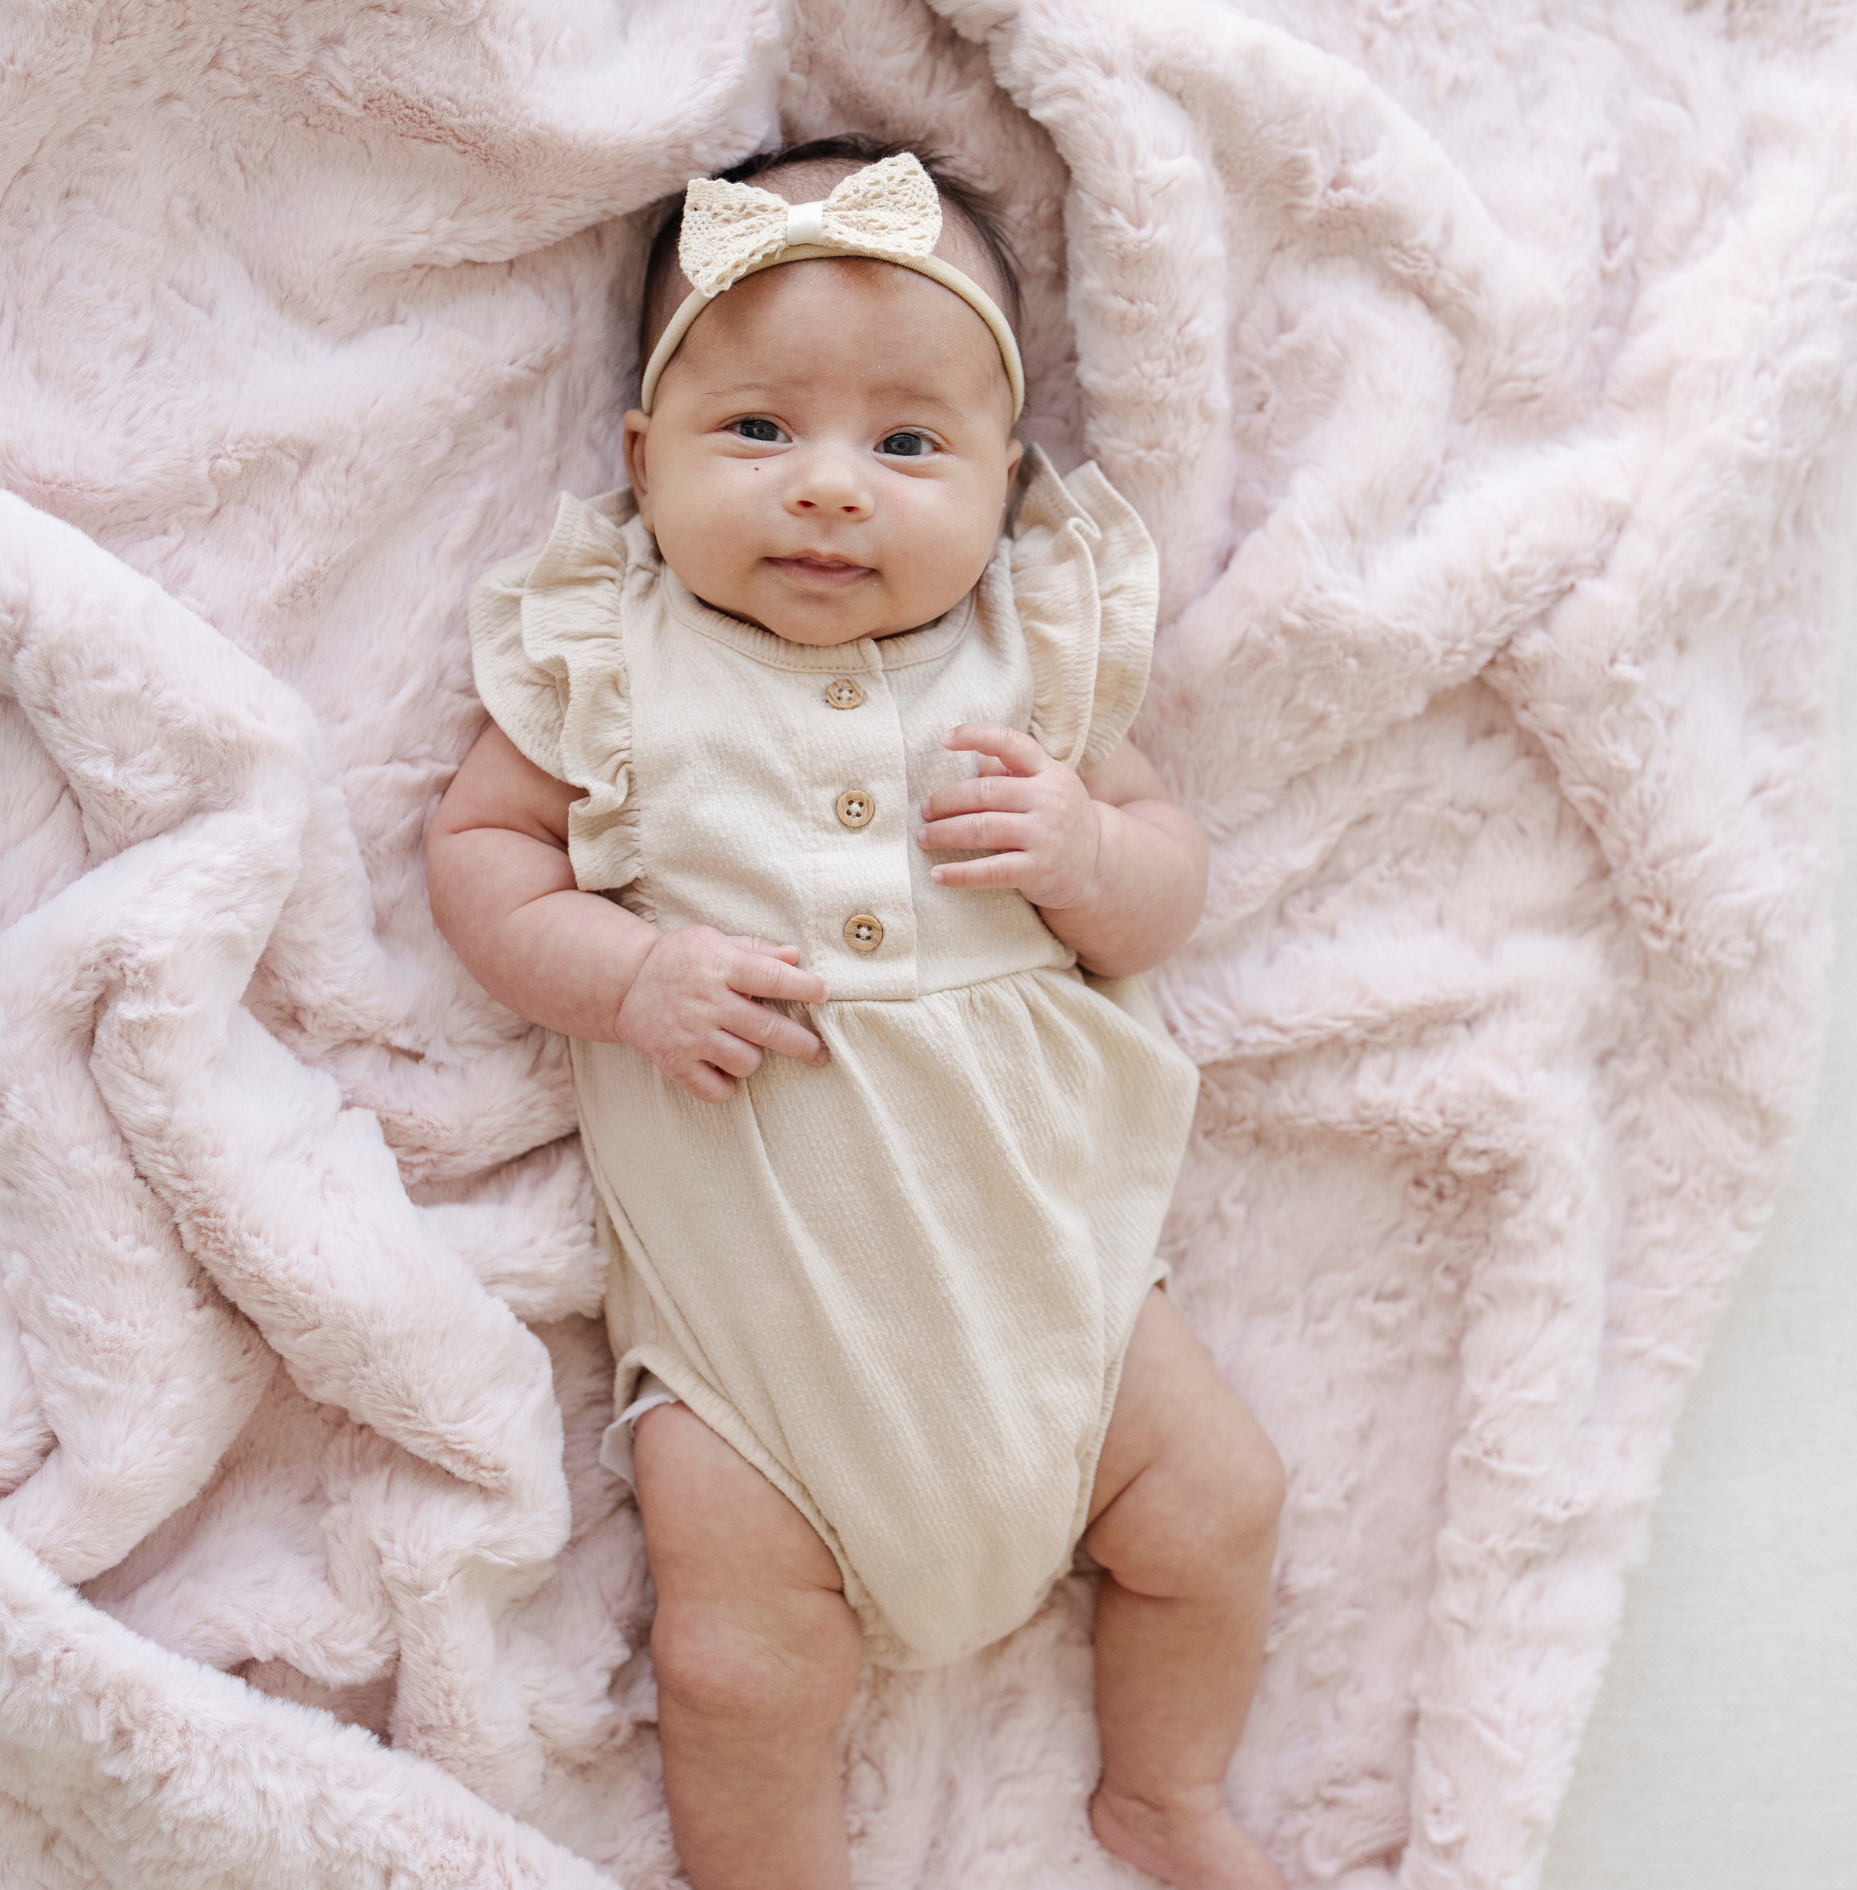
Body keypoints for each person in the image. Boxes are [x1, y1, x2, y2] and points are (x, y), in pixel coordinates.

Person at [427, 137, 1287, 1890]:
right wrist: (631, 971)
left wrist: (1080, 851)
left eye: (907, 445)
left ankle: (1166, 1792)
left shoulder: (1030, 657)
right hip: (765, 1356)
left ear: (1003, 485)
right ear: (641, 462)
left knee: (1219, 1509)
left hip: (1057, 1290)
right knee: (734, 1665)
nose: (831, 490)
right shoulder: (612, 655)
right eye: (760, 432)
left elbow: (1168, 877)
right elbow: (481, 861)